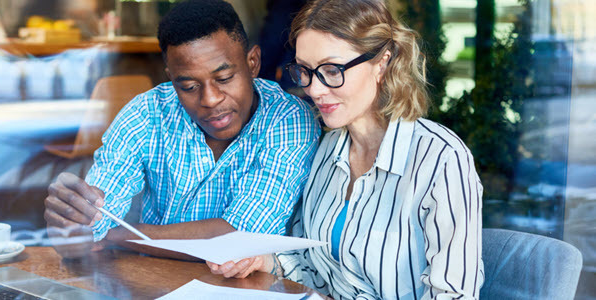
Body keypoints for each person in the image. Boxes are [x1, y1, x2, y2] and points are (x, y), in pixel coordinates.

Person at [207, 0, 484, 299]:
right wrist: (263, 261)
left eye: (331, 69)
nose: (314, 89)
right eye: (305, 71)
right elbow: (315, 268)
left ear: (382, 62)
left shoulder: (441, 159)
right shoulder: (326, 150)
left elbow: (454, 294)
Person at [43, 0, 321, 261]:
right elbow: (95, 220)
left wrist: (119, 236)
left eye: (224, 78)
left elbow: (244, 238)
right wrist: (72, 222)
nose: (210, 99)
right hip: (154, 283)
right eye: (188, 86)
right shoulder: (147, 113)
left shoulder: (288, 120)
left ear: (252, 63)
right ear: (171, 78)